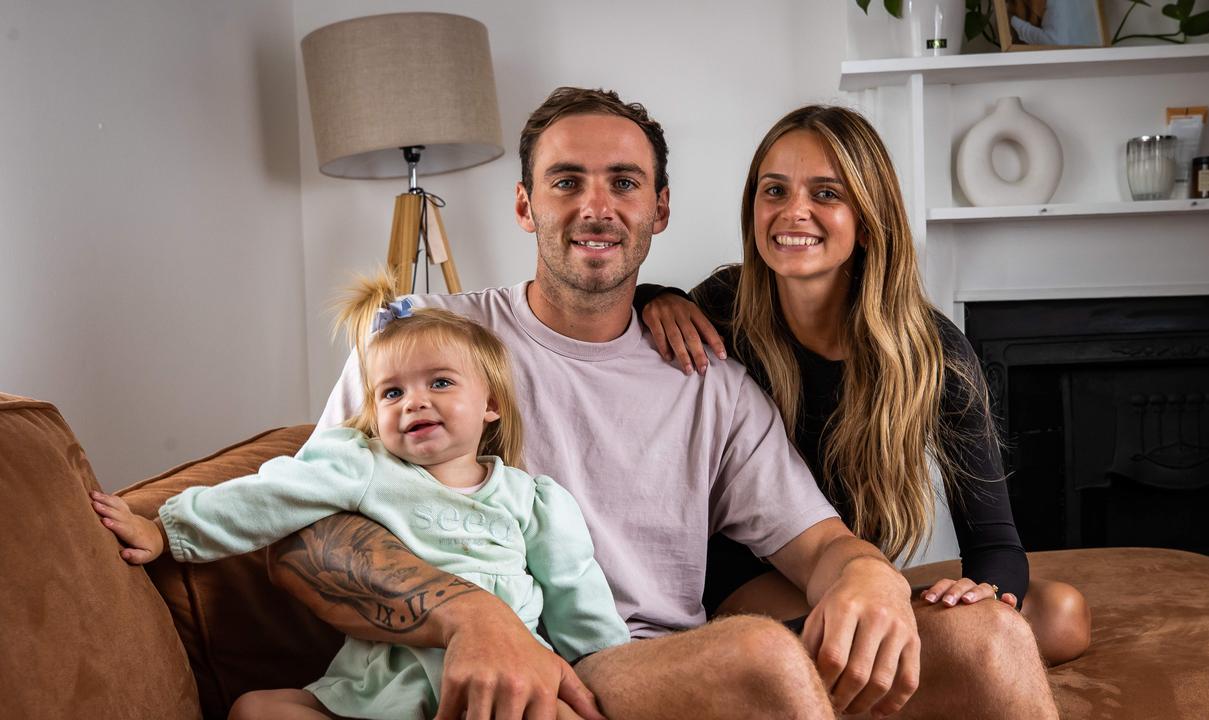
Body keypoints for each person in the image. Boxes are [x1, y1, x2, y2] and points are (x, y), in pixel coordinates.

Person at [271, 87, 1059, 720]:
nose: (596, 206)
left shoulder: (710, 375)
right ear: (524, 205)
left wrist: (866, 574)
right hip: (504, 663)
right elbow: (302, 533)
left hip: (649, 664)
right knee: (757, 656)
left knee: (990, 635)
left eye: (624, 183)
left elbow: (817, 545)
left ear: (661, 210)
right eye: (566, 181)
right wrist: (473, 620)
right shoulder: (426, 343)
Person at [635, 104, 1091, 666]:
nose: (793, 212)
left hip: (855, 573)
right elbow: (611, 319)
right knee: (846, 645)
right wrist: (653, 295)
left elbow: (995, 543)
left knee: (1061, 615)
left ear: (870, 218)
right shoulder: (722, 308)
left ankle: (926, 659)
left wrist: (987, 595)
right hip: (744, 573)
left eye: (826, 194)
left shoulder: (933, 352)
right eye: (774, 191)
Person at [90, 276, 630, 719]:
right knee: (256, 710)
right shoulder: (362, 464)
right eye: (392, 392)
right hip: (380, 694)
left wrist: (607, 674)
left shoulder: (533, 500)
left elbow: (576, 596)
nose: (413, 402)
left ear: (490, 404)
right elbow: (269, 495)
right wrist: (167, 530)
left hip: (497, 691)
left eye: (440, 383)